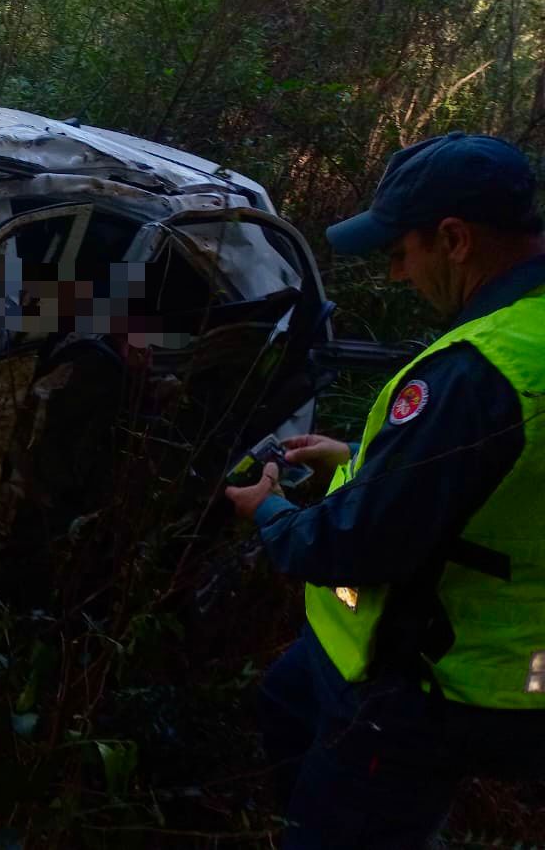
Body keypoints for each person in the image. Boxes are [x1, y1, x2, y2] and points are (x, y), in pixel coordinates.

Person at [225, 132, 545, 848]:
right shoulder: (528, 336)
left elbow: (355, 543)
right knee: (284, 701)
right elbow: (494, 473)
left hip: (428, 681)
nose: (398, 274)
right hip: (482, 659)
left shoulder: (477, 372)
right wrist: (358, 456)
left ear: (455, 238)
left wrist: (269, 509)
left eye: (402, 252)